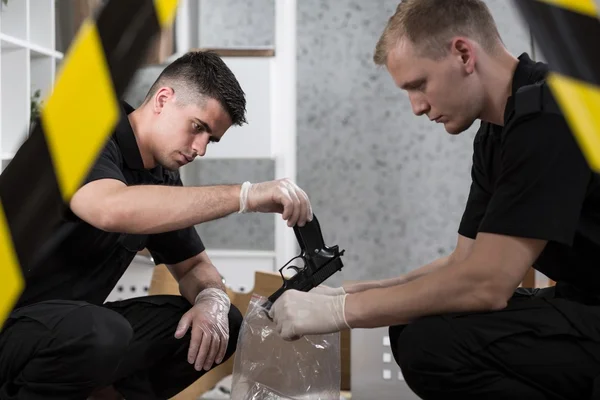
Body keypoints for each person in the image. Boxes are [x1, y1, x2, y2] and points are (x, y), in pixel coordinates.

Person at [269, 0, 600, 398]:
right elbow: (465, 262)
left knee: (433, 343)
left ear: (463, 53)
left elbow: (486, 285)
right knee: (411, 326)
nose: (417, 107)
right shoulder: (497, 133)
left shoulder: (548, 115)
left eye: (419, 84)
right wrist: (352, 293)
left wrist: (340, 315)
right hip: (583, 304)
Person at [0, 51, 313, 400]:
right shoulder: (81, 126)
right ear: (163, 99)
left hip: (61, 331)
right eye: (198, 128)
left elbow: (194, 265)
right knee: (101, 332)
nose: (201, 149)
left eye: (211, 139)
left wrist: (212, 299)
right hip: (12, 326)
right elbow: (109, 207)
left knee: (222, 326)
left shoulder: (161, 177)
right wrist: (245, 196)